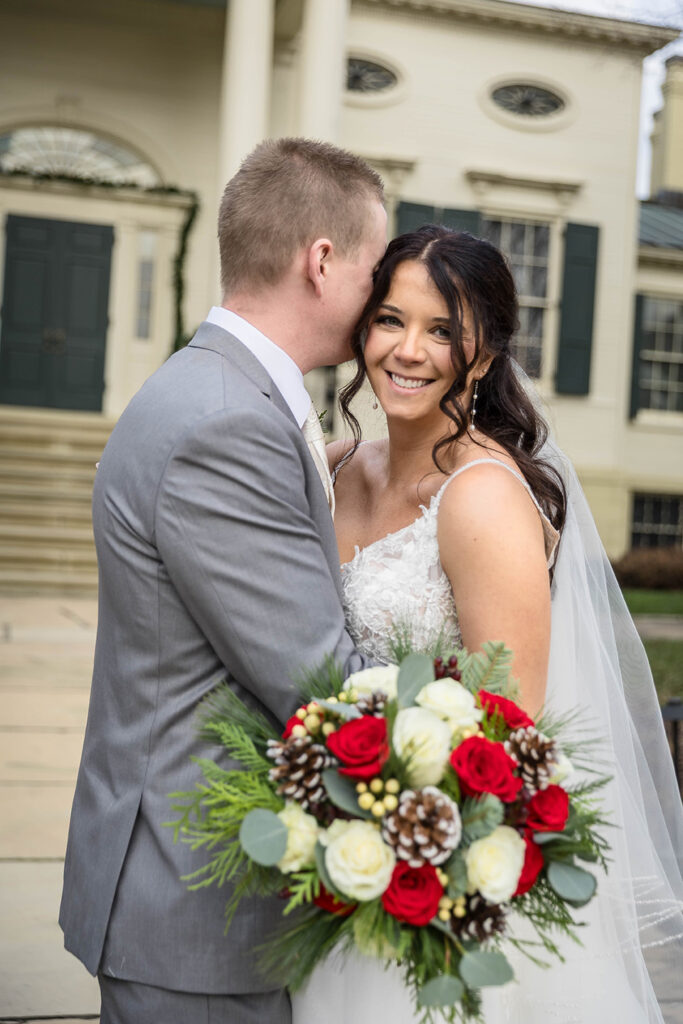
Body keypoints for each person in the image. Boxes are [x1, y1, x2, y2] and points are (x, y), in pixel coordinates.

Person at [292, 226, 683, 1024]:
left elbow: (509, 730)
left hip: (437, 874)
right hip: (333, 847)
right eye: (390, 319)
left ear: (484, 353)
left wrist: (391, 833)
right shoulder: (333, 466)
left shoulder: (479, 496)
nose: (407, 350)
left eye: (442, 330)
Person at [59, 136, 387, 1024]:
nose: (380, 297)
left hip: (188, 889)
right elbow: (320, 682)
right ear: (321, 262)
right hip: (194, 905)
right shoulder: (223, 425)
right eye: (372, 267)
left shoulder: (221, 394)